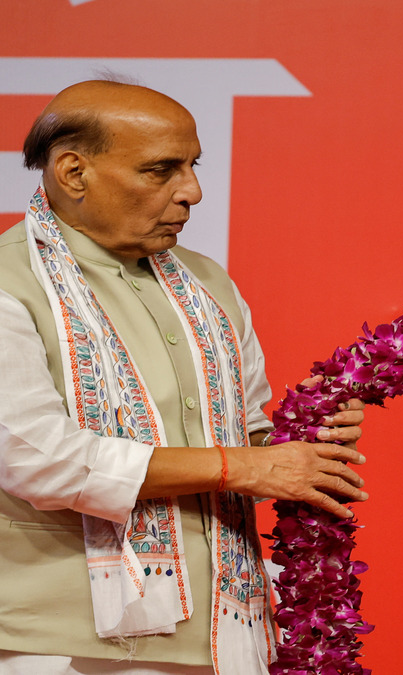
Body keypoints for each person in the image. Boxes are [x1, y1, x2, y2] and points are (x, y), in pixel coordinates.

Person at [0, 80, 369, 674]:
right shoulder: (8, 283)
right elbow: (41, 460)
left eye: (193, 166)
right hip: (61, 642)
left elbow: (247, 439)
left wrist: (301, 442)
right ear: (72, 172)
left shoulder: (207, 284)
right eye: (160, 170)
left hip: (227, 635)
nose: (191, 191)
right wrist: (242, 466)